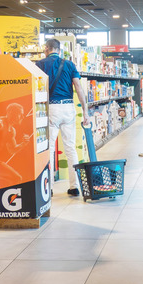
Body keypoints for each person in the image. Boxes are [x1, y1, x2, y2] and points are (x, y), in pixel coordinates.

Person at [37, 39, 90, 196]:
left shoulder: (40, 64)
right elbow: (79, 88)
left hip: (50, 108)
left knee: (50, 149)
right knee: (70, 148)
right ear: (59, 50)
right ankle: (74, 187)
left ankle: (49, 187)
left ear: (47, 49)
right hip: (68, 107)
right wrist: (85, 111)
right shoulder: (69, 64)